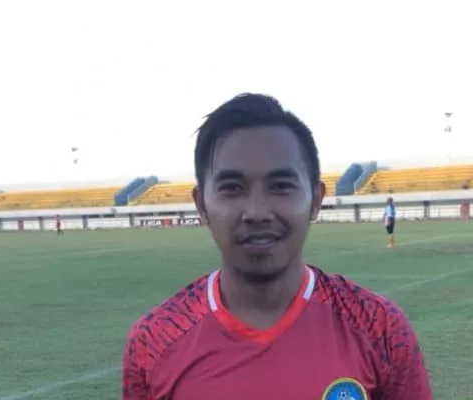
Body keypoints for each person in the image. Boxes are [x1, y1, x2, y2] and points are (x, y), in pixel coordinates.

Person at [122, 93, 433, 400]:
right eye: (232, 188)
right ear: (201, 204)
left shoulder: (380, 328)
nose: (257, 212)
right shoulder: (155, 340)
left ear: (316, 199)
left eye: (281, 186)